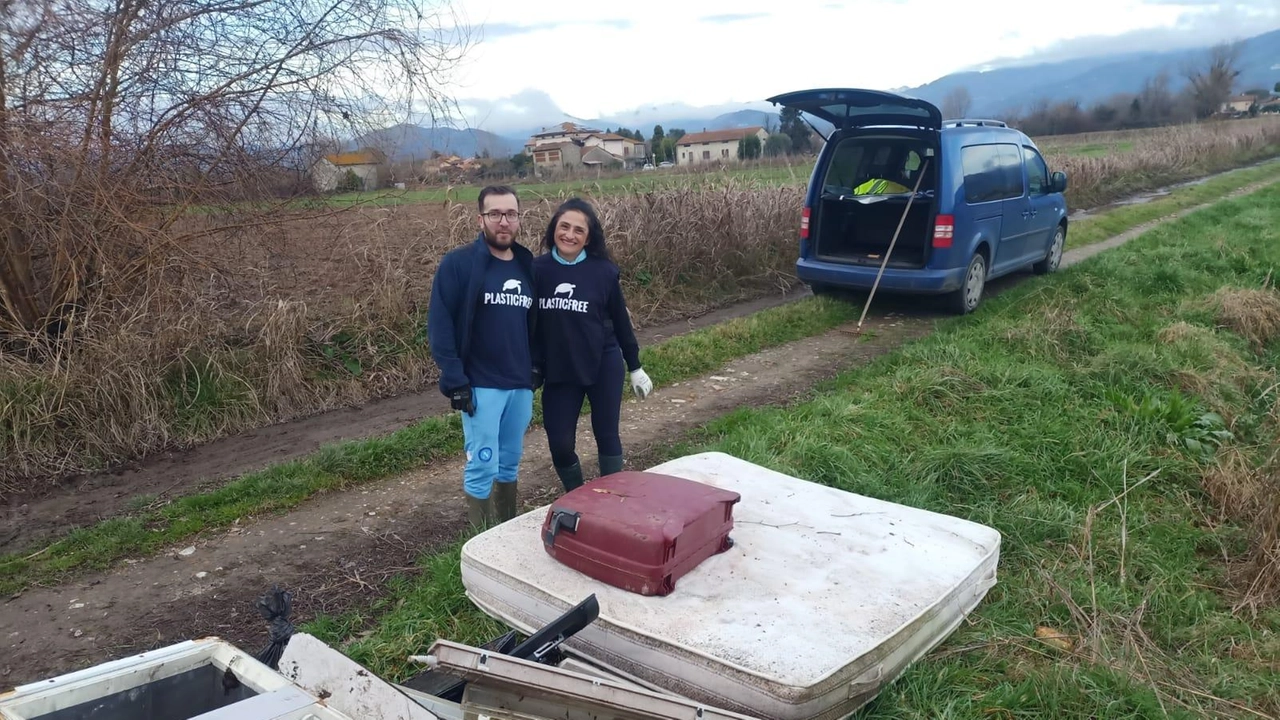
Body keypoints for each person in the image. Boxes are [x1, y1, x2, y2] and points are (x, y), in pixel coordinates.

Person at [427, 185, 542, 528]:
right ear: (481, 219)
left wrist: (537, 366)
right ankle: (479, 542)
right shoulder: (459, 265)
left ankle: (505, 534)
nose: (503, 222)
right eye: (495, 214)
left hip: (520, 385)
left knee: (510, 462)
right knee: (483, 464)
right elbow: (440, 324)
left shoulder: (527, 266)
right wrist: (454, 379)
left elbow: (536, 324)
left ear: (519, 219)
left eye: (510, 214)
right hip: (481, 386)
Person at [532, 197, 653, 492]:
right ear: (553, 229)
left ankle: (611, 498)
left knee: (606, 433)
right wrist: (531, 366)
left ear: (588, 238)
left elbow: (621, 323)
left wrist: (634, 366)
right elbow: (528, 326)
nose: (569, 235)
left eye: (578, 230)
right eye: (564, 227)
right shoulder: (536, 270)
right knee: (560, 443)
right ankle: (576, 495)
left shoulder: (603, 272)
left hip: (603, 363)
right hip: (560, 370)